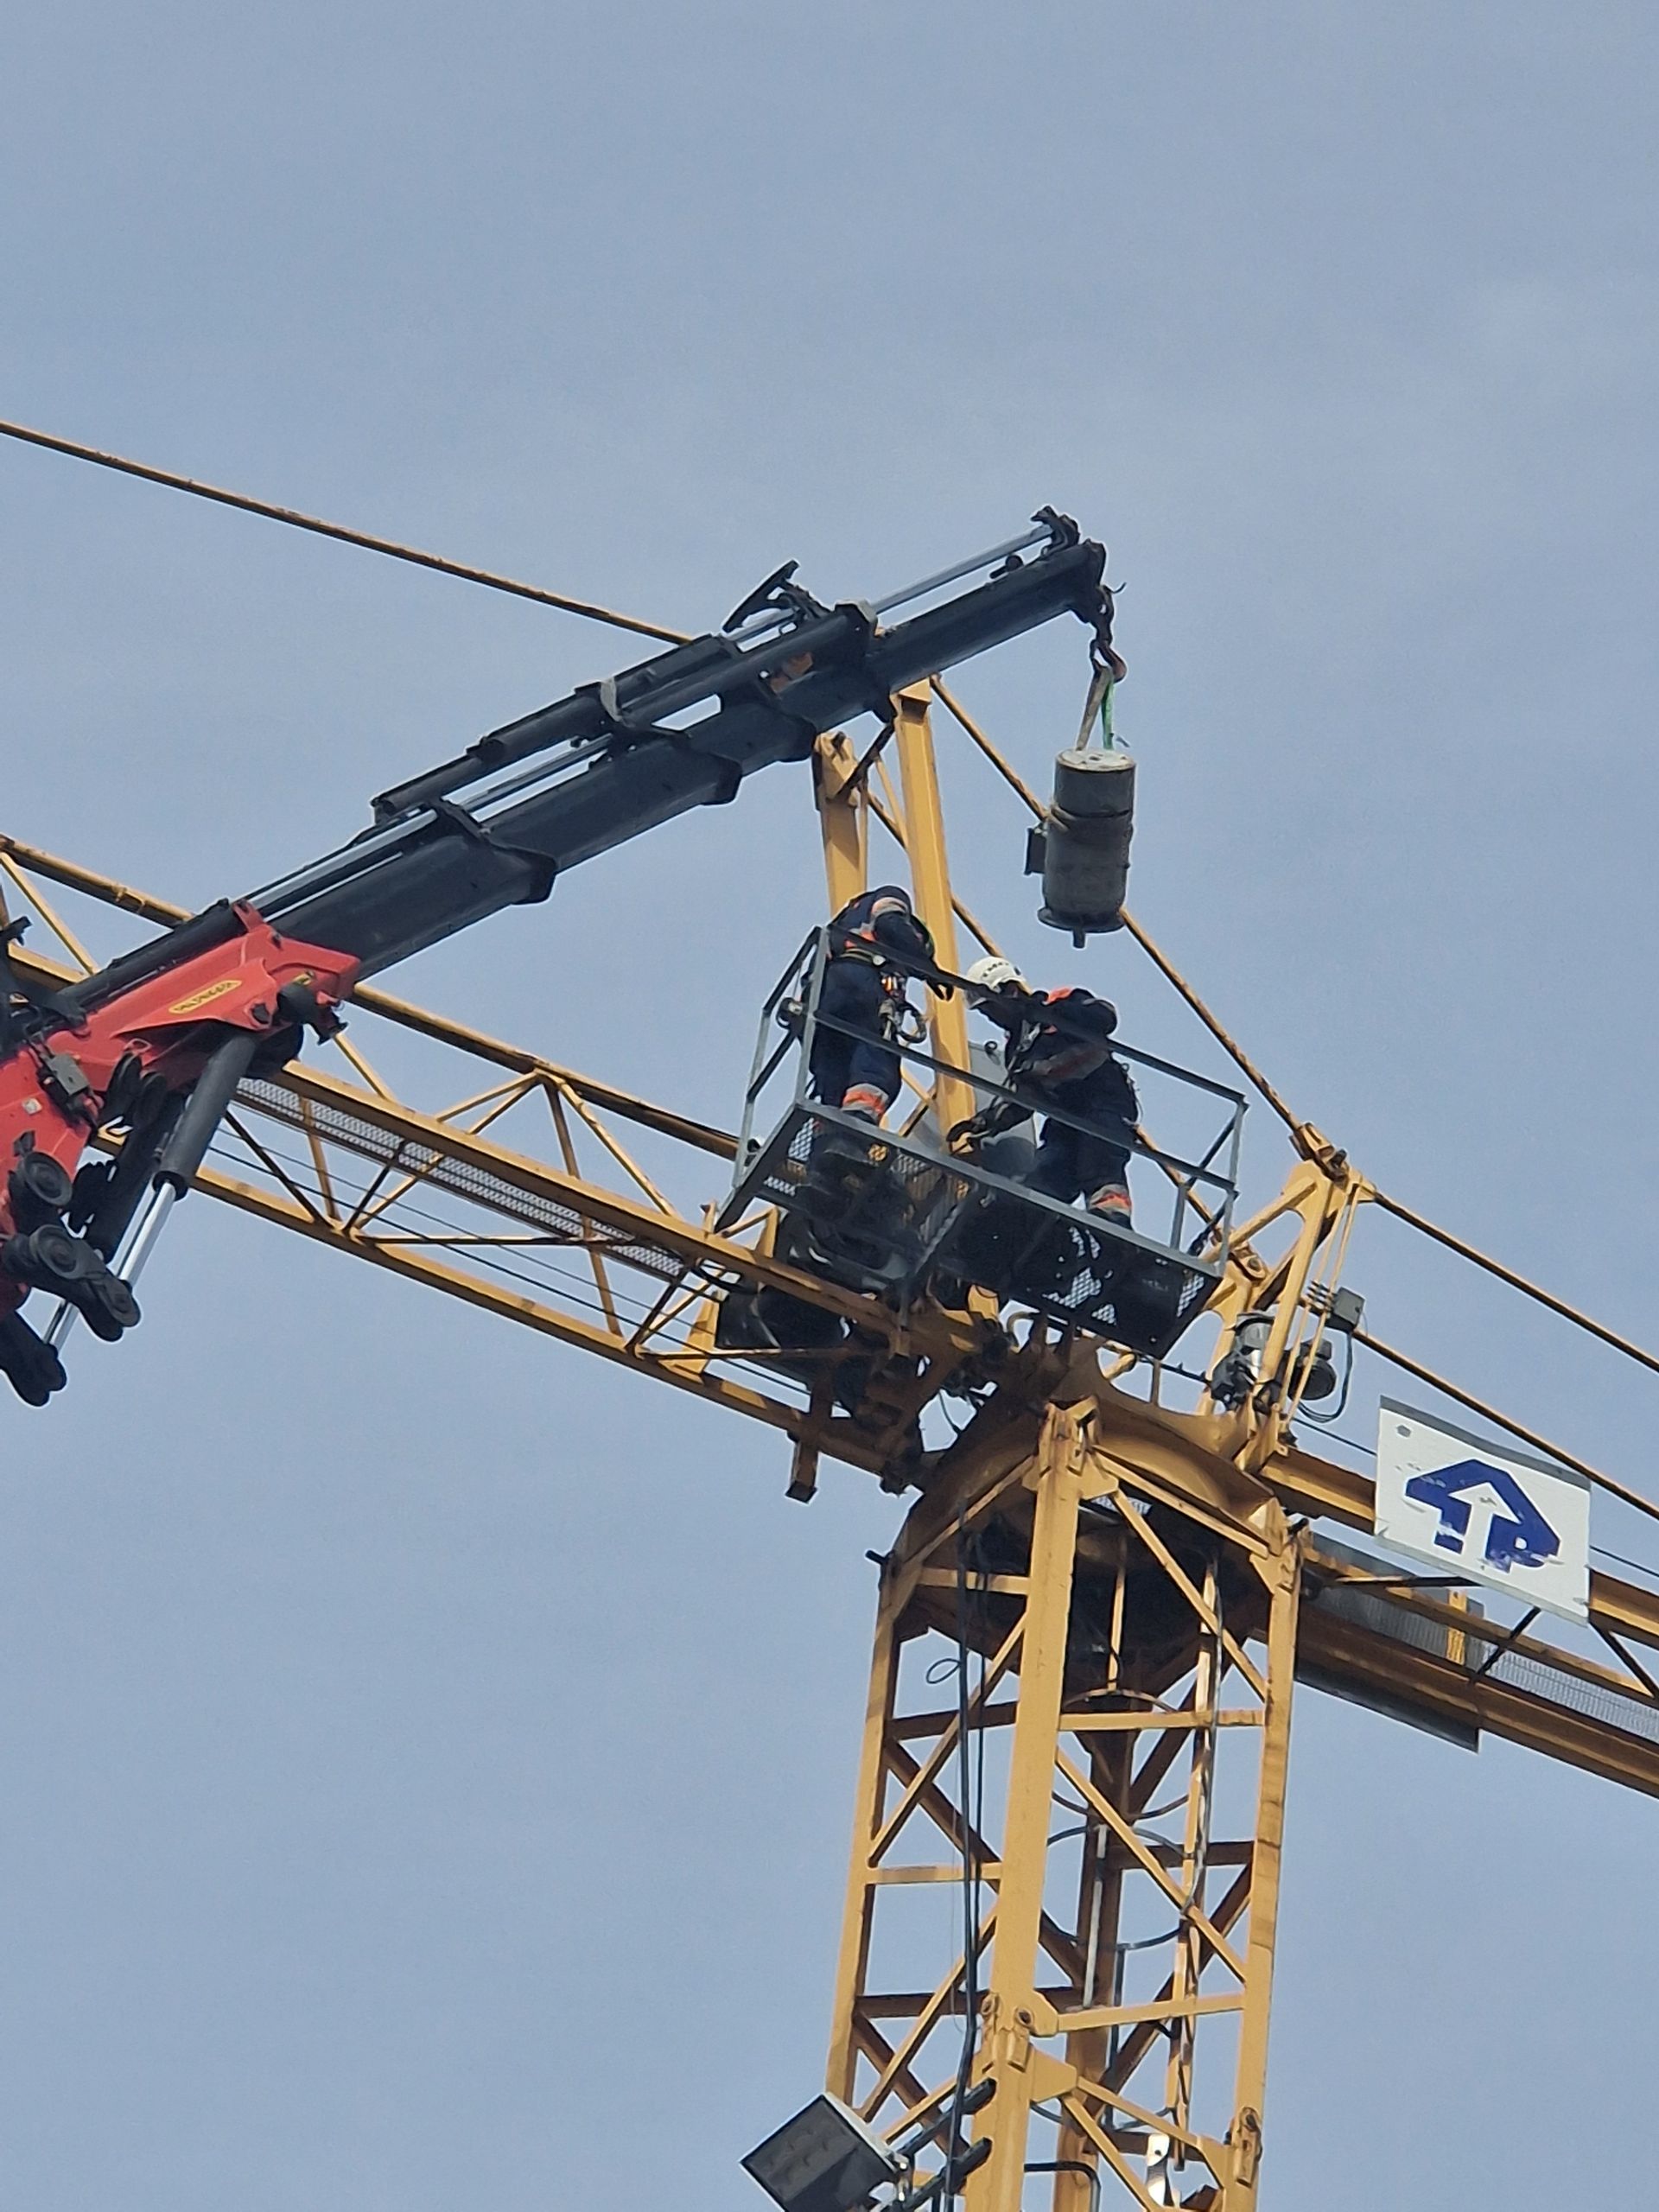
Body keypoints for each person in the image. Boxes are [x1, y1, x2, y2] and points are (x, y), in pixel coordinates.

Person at [951, 957, 1138, 1230]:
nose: (990, 1017)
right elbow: (1025, 1099)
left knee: (1099, 1166)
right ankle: (1036, 1238)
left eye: (990, 1008)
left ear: (1009, 990)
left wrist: (1055, 1015)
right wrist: (984, 1122)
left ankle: (1113, 1228)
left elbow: (1105, 1017)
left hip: (1103, 1103)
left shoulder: (1058, 1003)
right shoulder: (1017, 1051)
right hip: (1063, 1118)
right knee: (1045, 1177)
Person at [809, 885, 938, 1125]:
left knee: (834, 1077)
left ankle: (827, 1143)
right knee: (879, 1062)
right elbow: (890, 924)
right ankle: (856, 1127)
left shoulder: (841, 925)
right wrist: (928, 969)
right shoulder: (891, 897)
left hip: (823, 1000)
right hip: (862, 983)